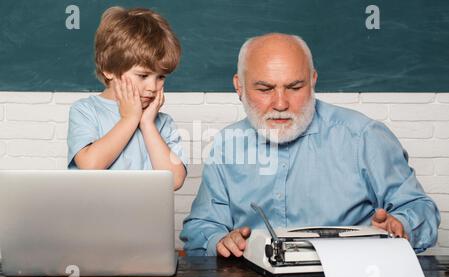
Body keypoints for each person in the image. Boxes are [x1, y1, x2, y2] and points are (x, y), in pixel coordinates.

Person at [180, 33, 440, 256]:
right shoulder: (227, 145)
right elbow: (201, 226)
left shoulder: (363, 137)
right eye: (265, 89)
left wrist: (402, 225)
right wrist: (219, 241)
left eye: (294, 87)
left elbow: (420, 208)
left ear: (313, 81)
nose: (280, 104)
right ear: (239, 86)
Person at [67, 7, 187, 190]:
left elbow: (175, 181)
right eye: (143, 76)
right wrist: (130, 118)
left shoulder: (163, 123)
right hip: (94, 217)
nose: (152, 88)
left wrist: (147, 124)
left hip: (146, 217)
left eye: (161, 77)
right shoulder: (85, 110)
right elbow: (90, 165)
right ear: (109, 70)